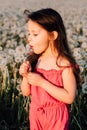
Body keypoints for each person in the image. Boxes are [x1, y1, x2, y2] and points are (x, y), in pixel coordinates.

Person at [19, 8, 80, 130]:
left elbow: (69, 97)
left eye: (35, 34)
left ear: (52, 35)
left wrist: (42, 82)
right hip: (36, 114)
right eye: (28, 33)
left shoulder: (64, 64)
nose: (29, 38)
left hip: (56, 117)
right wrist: (25, 76)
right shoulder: (35, 60)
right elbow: (26, 92)